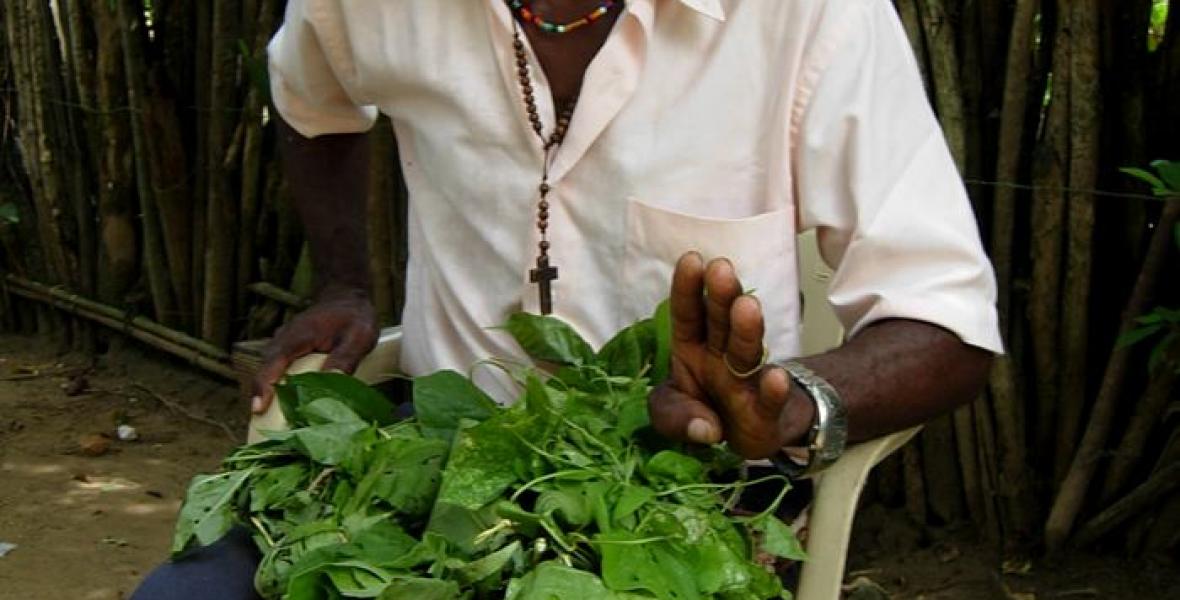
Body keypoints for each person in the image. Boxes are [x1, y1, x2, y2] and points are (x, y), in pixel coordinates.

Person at [131, 0, 1001, 597]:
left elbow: (945, 316)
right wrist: (345, 281)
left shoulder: (810, 17)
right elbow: (307, 97)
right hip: (432, 461)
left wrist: (789, 407)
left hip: (680, 500)